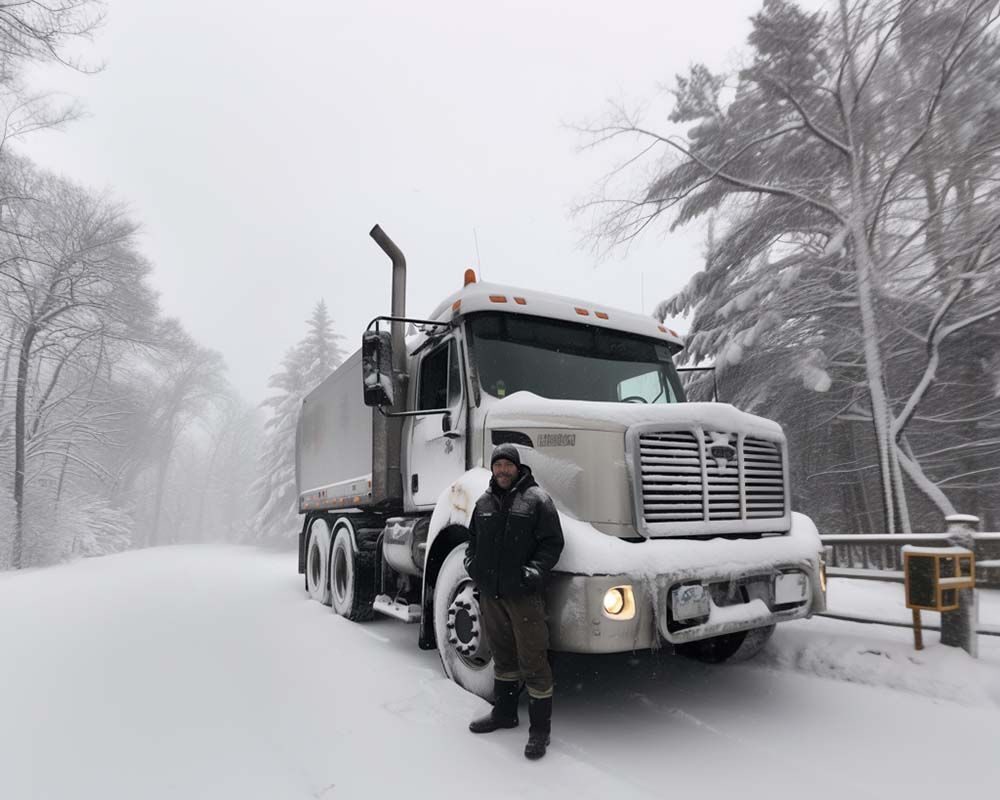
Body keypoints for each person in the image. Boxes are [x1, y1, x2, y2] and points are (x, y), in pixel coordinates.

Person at [464, 443, 565, 760]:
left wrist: (532, 572)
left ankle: (540, 732)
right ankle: (505, 714)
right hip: (492, 596)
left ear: (517, 468)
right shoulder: (482, 503)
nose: (502, 470)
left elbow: (552, 543)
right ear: (492, 469)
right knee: (503, 657)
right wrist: (472, 567)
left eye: (508, 465)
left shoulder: (537, 500)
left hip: (523, 597)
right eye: (498, 465)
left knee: (534, 661)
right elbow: (473, 543)